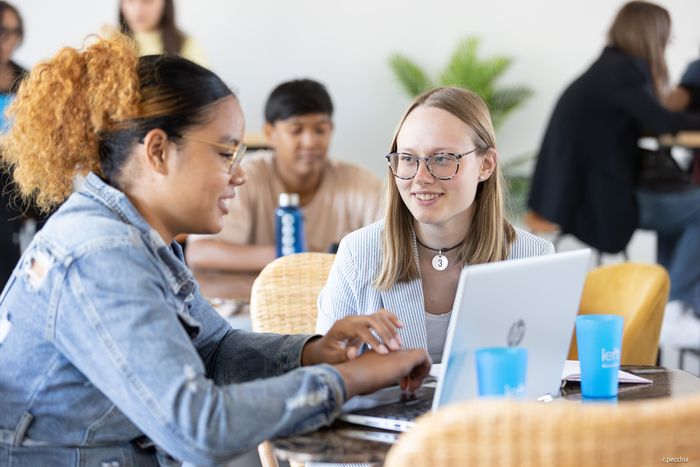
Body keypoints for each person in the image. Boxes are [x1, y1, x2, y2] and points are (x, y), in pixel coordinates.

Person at [0, 34, 430, 466]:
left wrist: (312, 352)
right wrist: (343, 379)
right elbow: (199, 429)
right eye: (226, 153)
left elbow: (214, 350)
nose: (239, 175)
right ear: (158, 151)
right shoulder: (101, 255)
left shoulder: (137, 238)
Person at [316, 87, 554, 364]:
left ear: (485, 165)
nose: (420, 177)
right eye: (407, 158)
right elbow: (323, 377)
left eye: (441, 159)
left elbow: (543, 373)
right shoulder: (358, 252)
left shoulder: (534, 257)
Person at [527, 1, 700, 350]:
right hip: (591, 202)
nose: (670, 41)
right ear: (651, 35)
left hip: (572, 195)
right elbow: (662, 121)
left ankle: (671, 310)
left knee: (682, 212)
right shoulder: (622, 73)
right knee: (696, 207)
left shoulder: (610, 68)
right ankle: (678, 309)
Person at [186, 79, 383, 272]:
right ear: (269, 132)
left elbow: (395, 249)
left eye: (320, 130)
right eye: (296, 130)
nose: (310, 141)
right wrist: (295, 256)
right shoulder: (243, 177)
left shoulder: (362, 184)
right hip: (248, 302)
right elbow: (199, 253)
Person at [0, 1, 46, 290]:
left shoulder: (26, 79)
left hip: (17, 170)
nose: (9, 40)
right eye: (3, 31)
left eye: (15, 33)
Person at [119, 0, 207, 65]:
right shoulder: (110, 41)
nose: (138, 10)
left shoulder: (186, 44)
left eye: (147, 1)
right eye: (130, 1)